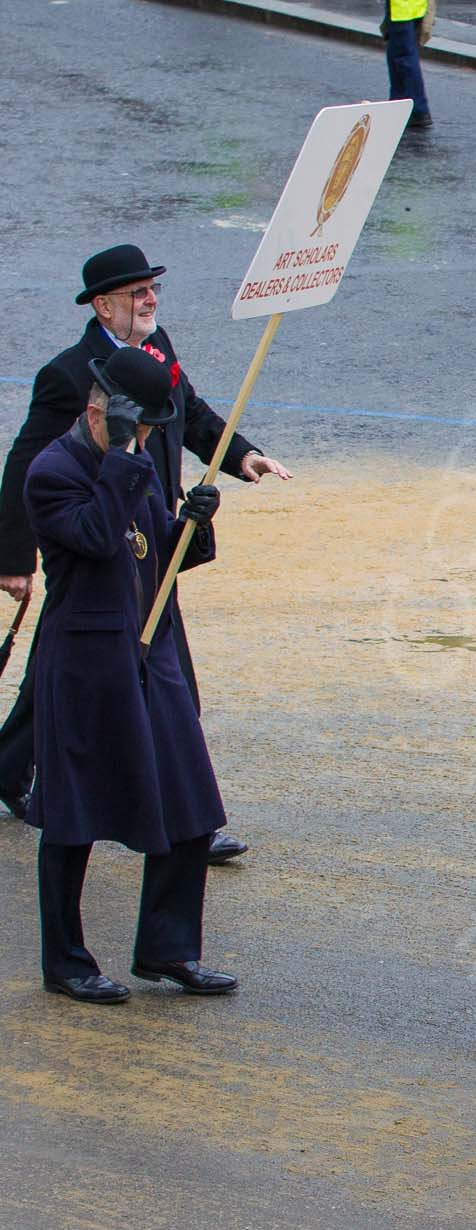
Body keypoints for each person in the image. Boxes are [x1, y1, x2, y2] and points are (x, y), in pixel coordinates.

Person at [0, 245, 291, 861]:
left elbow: (191, 414)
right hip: (95, 543)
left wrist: (241, 454)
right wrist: (13, 557)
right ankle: (190, 820)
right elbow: (24, 465)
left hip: (154, 542)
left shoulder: (159, 352)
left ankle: (8, 764)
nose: (151, 300)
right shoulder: (69, 375)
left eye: (152, 289)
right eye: (137, 293)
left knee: (96, 671)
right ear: (104, 307)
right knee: (143, 676)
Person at [25, 350, 235, 1005]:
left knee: (190, 803)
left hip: (149, 653)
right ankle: (65, 960)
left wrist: (196, 525)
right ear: (102, 410)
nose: (147, 440)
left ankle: (168, 948)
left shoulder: (133, 464)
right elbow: (93, 536)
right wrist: (122, 457)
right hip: (86, 664)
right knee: (73, 817)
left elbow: (157, 550)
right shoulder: (52, 472)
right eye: (139, 426)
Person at [384, 0, 433, 131]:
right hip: (412, 6)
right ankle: (399, 105)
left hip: (402, 8)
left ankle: (417, 109)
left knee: (403, 58)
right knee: (398, 55)